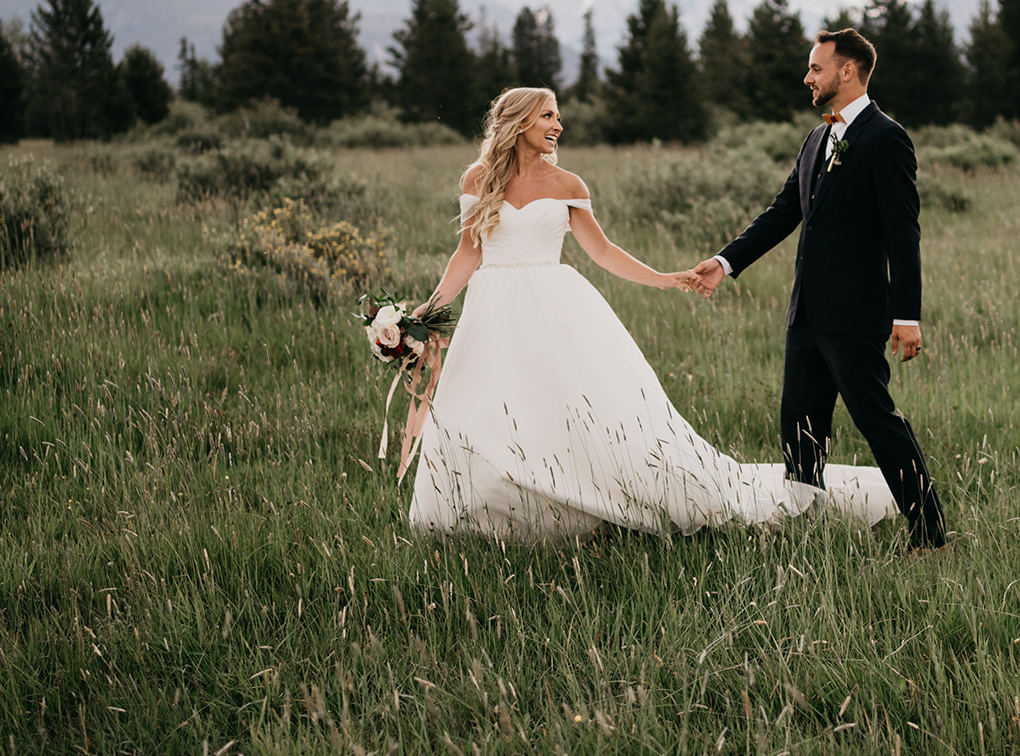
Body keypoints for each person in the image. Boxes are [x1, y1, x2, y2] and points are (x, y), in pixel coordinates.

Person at [405, 86, 895, 539]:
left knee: (561, 407)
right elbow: (468, 253)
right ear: (519, 121)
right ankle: (482, 510)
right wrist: (425, 314)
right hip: (492, 309)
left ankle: (574, 505)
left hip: (552, 307)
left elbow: (602, 251)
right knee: (487, 406)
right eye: (548, 115)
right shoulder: (479, 179)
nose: (559, 124)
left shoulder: (567, 182)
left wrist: (665, 277)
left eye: (559, 115)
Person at [692, 28, 953, 549]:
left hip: (856, 313)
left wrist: (907, 315)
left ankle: (930, 534)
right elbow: (783, 213)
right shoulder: (817, 137)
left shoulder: (886, 137)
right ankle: (803, 522)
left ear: (847, 70)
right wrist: (726, 262)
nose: (808, 77)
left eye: (816, 68)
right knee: (800, 423)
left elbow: (904, 236)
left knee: (876, 419)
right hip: (806, 312)